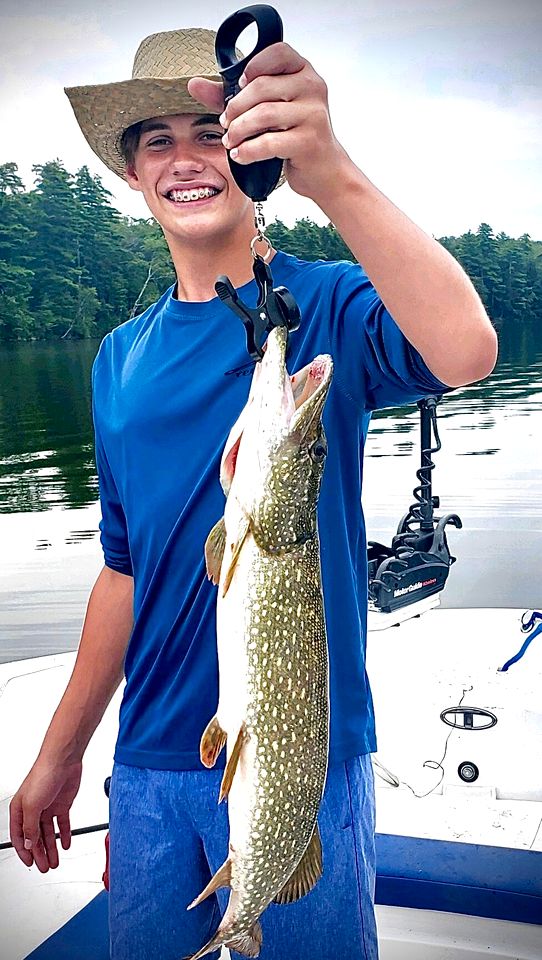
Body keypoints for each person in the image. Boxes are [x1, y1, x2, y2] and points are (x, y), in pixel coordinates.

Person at [9, 25, 497, 960]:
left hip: (306, 757)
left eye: (213, 132)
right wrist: (63, 751)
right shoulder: (118, 358)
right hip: (152, 761)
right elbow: (125, 571)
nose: (187, 160)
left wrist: (333, 174)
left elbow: (467, 352)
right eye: (159, 139)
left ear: (257, 156)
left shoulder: (326, 306)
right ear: (132, 172)